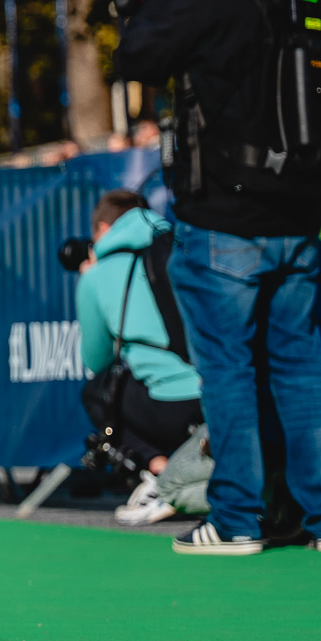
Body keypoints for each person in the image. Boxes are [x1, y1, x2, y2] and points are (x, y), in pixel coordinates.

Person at [114, 0, 321, 555]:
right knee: (300, 366)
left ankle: (237, 518)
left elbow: (137, 57)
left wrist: (161, 2)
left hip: (225, 216)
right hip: (298, 215)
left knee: (226, 370)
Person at [74, 189, 203, 525]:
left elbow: (97, 360)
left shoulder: (98, 276)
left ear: (103, 229)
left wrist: (90, 282)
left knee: (96, 392)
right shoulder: (184, 248)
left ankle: (161, 474)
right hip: (219, 390)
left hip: (168, 404)